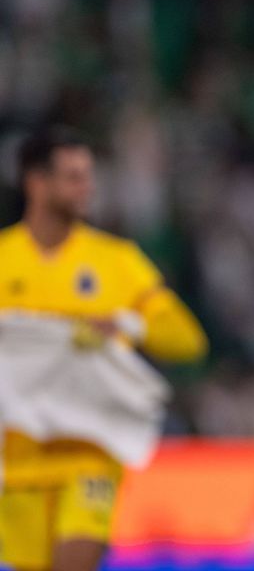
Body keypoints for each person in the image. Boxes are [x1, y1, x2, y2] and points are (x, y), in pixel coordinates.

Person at [0, 127, 208, 571]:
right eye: (73, 177)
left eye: (88, 175)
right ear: (36, 183)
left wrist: (125, 324)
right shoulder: (4, 259)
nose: (87, 187)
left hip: (90, 455)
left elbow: (187, 340)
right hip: (17, 463)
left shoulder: (117, 261)